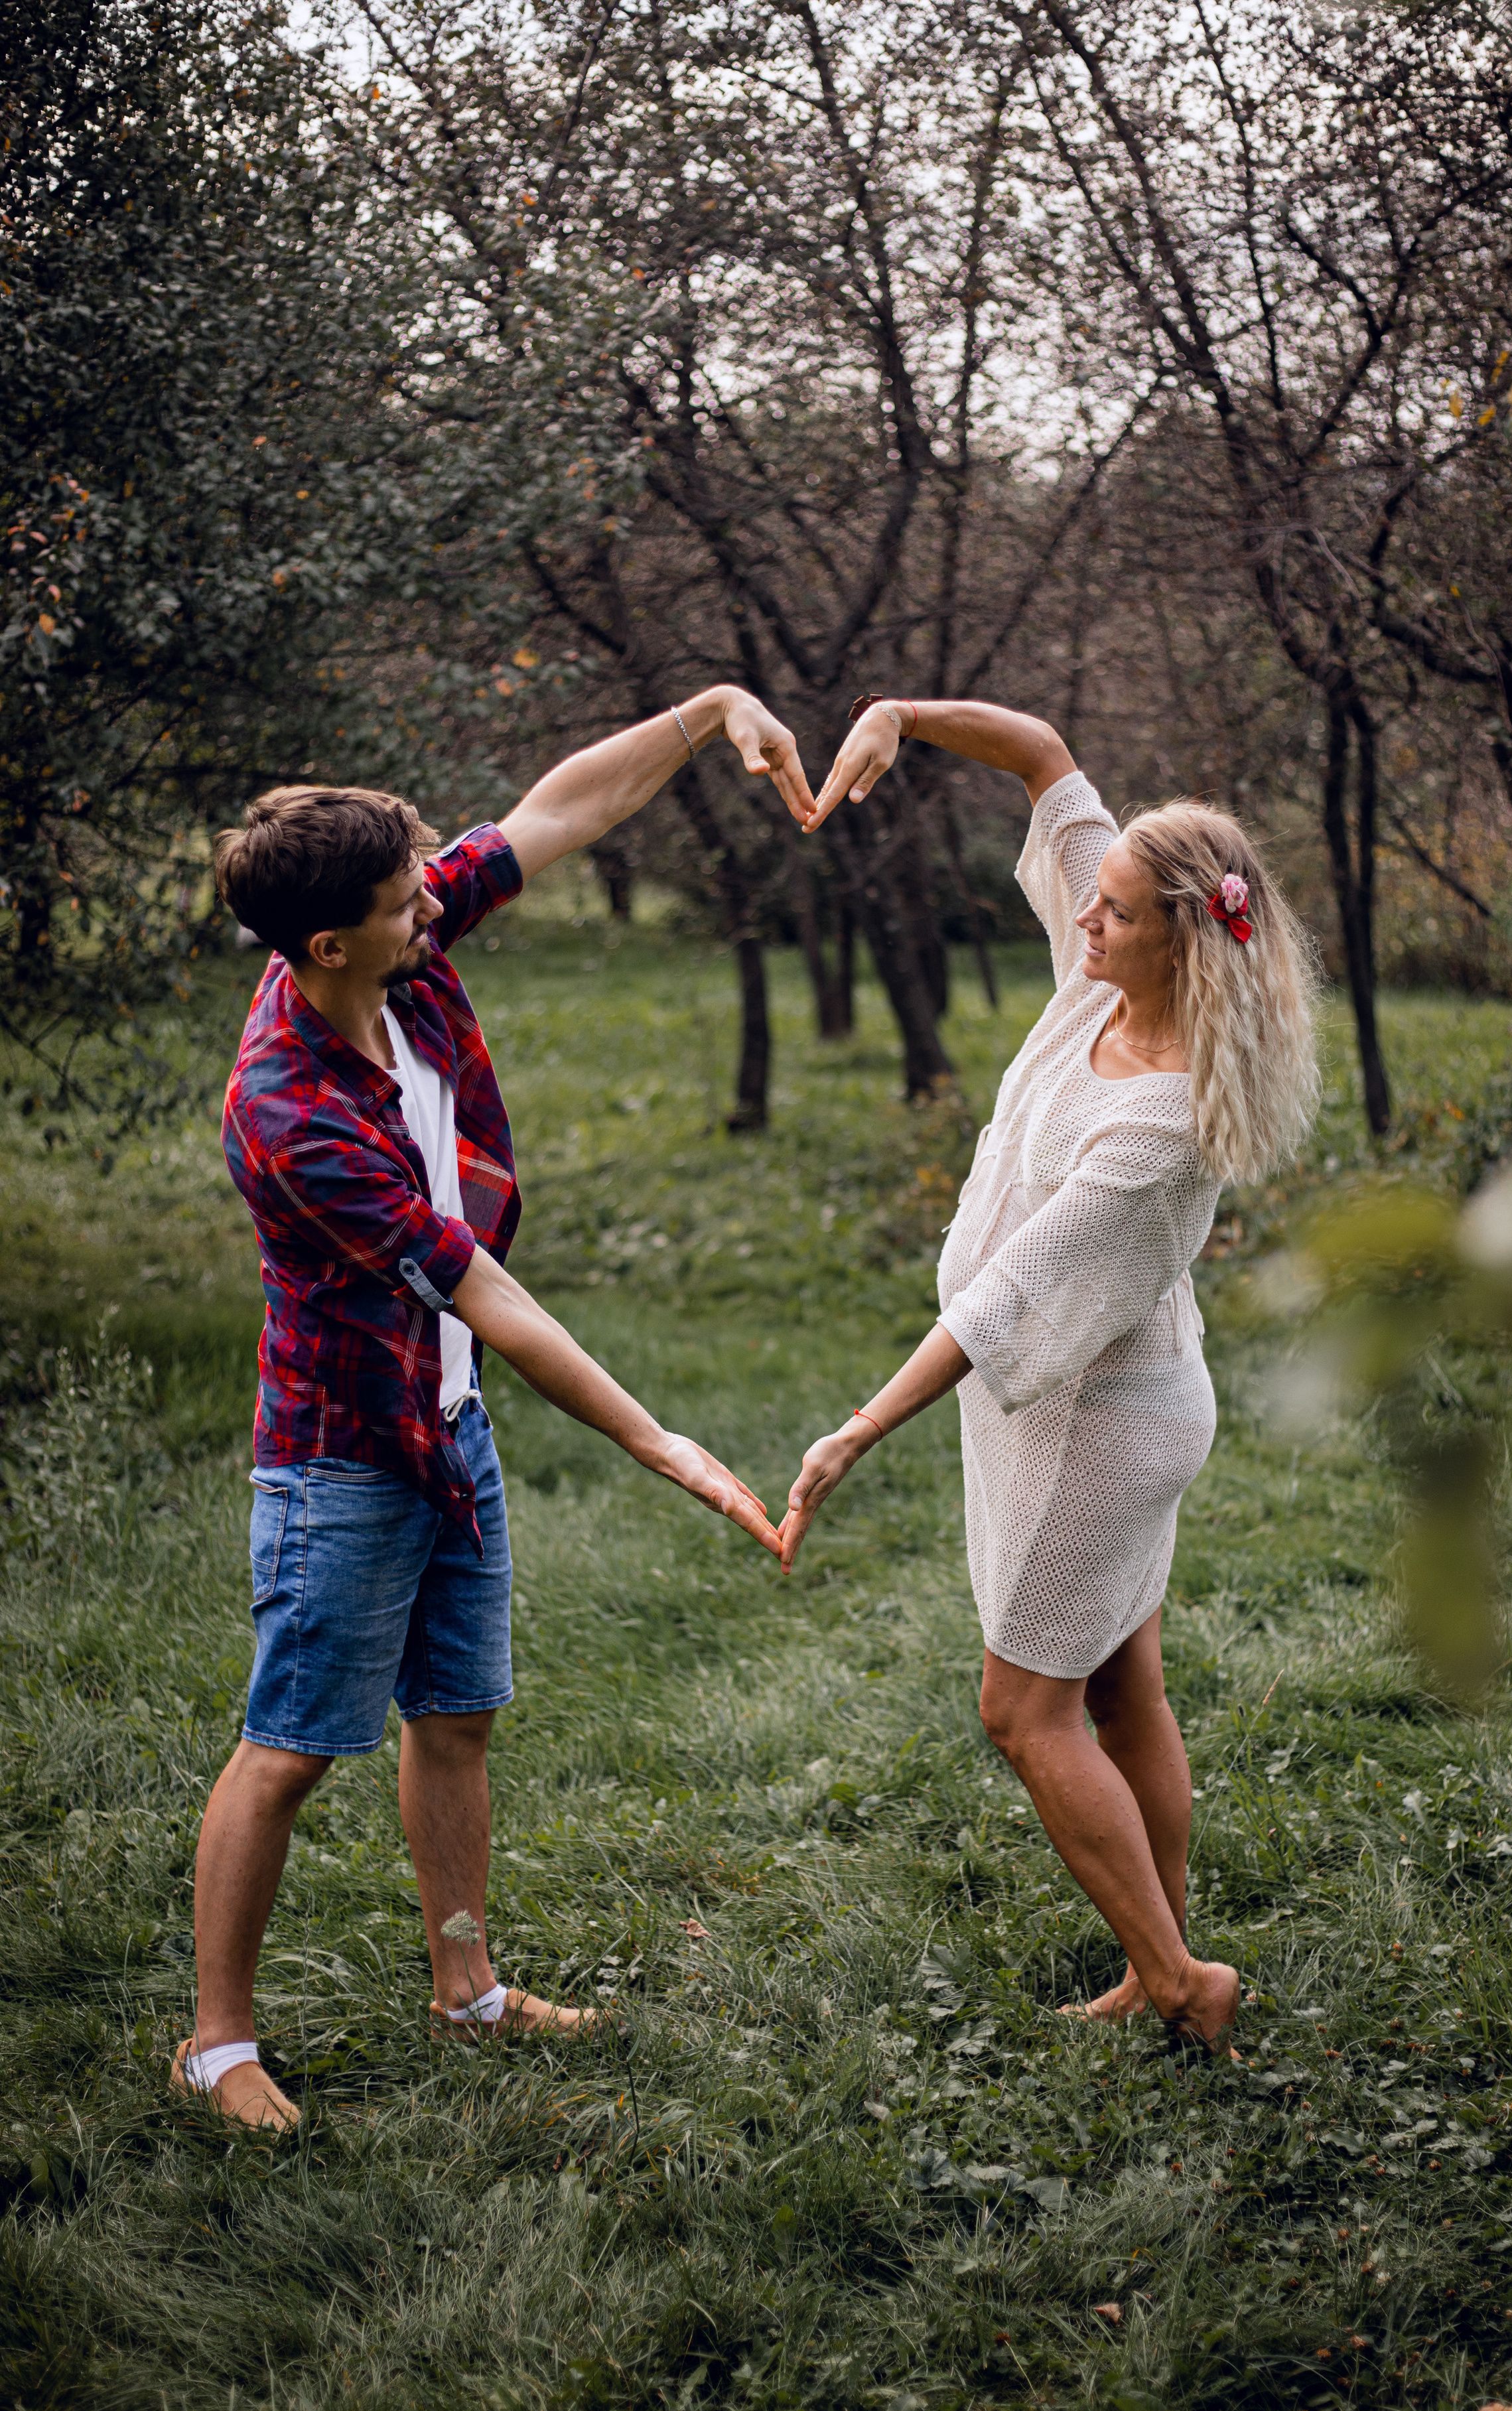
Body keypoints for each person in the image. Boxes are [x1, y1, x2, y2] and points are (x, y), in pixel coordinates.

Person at [176, 689, 811, 2129]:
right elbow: (486, 1298)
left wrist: (710, 716)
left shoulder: (391, 953)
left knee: (453, 1719)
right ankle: (215, 2044)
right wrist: (656, 1439)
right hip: (344, 1453)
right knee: (289, 1746)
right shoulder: (289, 1115)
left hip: (441, 1428)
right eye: (411, 905)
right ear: (328, 942)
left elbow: (556, 813)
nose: (435, 912)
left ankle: (466, 1993)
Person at [780, 697, 1318, 2053]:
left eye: (1116, 911)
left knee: (1024, 1711)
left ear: (1181, 936)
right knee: (1119, 1684)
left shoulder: (1161, 1117)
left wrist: (852, 1431)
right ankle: (1161, 1963)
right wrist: (897, 716)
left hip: (1105, 1422)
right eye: (1097, 899)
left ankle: (1182, 1982)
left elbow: (1010, 1296)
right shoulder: (1113, 968)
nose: (1085, 919)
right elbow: (1040, 755)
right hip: (1084, 1399)